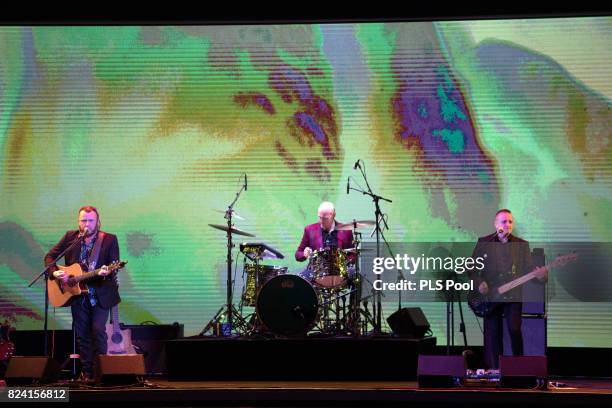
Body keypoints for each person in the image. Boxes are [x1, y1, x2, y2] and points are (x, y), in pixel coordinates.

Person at [44, 206, 121, 382]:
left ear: (97, 221)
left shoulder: (108, 239)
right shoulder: (70, 237)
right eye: (83, 220)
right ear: (78, 221)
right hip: (76, 294)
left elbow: (113, 266)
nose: (86, 224)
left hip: (99, 293)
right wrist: (55, 272)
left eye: (90, 220)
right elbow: (50, 258)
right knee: (82, 334)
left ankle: (100, 372)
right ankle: (87, 373)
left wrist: (107, 271)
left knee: (97, 330)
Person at [471, 209, 547, 369]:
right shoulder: (485, 242)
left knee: (515, 330)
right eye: (504, 221)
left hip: (513, 295)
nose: (508, 225)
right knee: (494, 333)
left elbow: (529, 269)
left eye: (510, 222)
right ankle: (495, 371)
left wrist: (540, 276)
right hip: (491, 296)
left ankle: (519, 369)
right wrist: (479, 282)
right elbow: (471, 268)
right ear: (496, 224)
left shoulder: (521, 245)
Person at [295, 201, 356, 283]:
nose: (321, 221)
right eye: (320, 217)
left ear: (334, 215)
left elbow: (353, 253)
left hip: (340, 270)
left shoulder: (346, 230)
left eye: (325, 218)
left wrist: (345, 262)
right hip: (316, 270)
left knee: (356, 276)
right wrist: (304, 254)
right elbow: (298, 254)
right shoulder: (310, 229)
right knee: (298, 281)